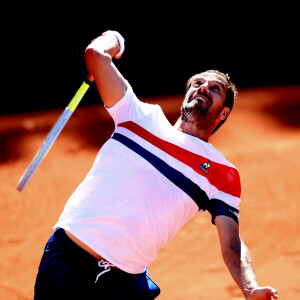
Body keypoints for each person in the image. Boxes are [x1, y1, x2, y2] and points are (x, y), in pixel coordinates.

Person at [34, 30, 278, 300]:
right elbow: (95, 55)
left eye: (215, 88)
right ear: (187, 93)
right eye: (198, 82)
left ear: (224, 113)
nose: (204, 87)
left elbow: (232, 243)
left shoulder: (222, 174)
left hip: (124, 284)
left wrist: (249, 286)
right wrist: (115, 39)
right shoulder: (137, 116)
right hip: (67, 261)